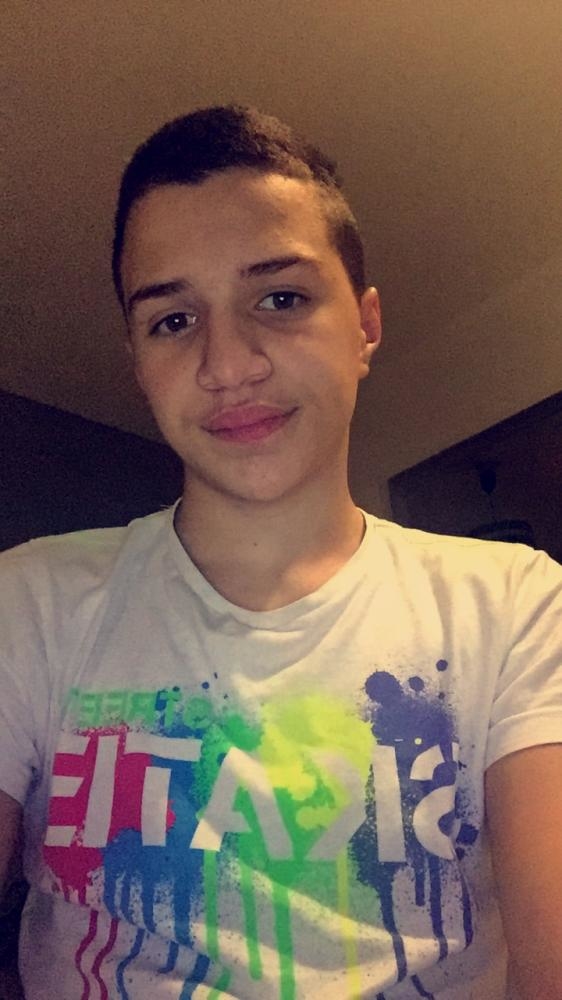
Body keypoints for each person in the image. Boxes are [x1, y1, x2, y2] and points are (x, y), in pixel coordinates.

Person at [0, 104, 561, 1000]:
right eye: (173, 320)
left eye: (281, 298)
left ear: (365, 325)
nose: (229, 365)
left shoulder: (516, 601)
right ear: (137, 359)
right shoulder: (27, 603)